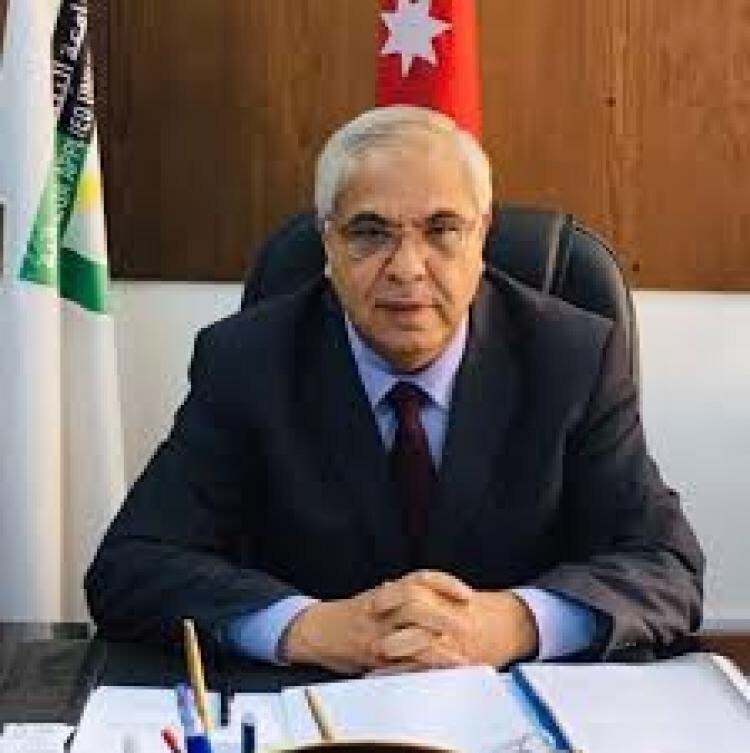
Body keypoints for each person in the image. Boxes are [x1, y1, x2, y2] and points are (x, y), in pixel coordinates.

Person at [86, 106, 704, 674]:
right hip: (314, 706)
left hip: (515, 708)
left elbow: (665, 566)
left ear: (482, 236)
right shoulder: (248, 361)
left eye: (442, 230)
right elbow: (133, 565)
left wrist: (513, 624)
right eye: (370, 232)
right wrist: (306, 628)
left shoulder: (572, 358)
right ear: (328, 241)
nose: (408, 268)